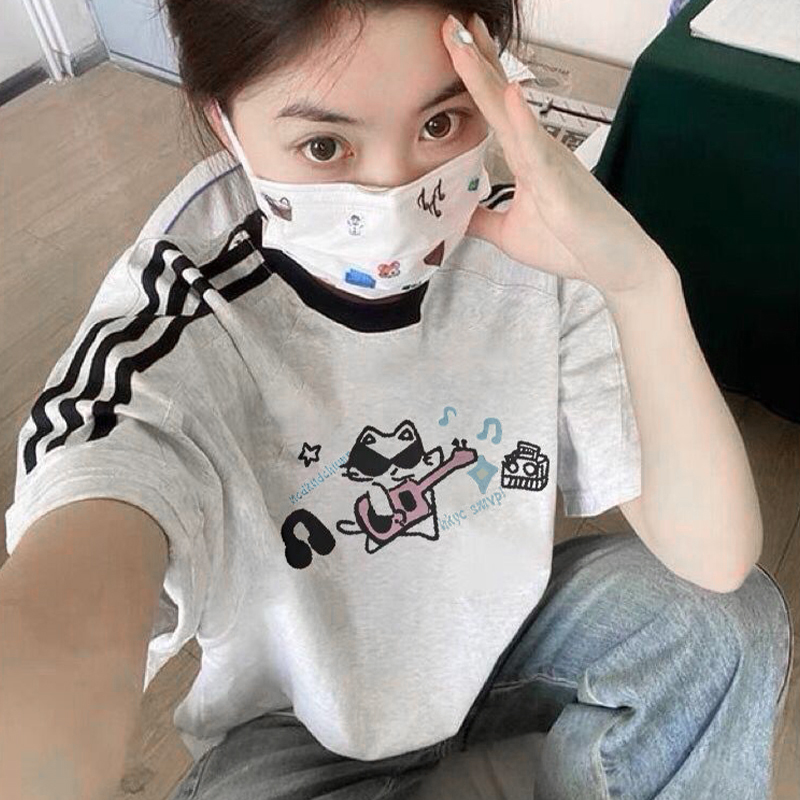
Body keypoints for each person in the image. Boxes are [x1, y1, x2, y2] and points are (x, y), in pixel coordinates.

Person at [0, 2, 792, 799]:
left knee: (726, 626)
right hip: (299, 734)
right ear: (225, 123)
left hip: (509, 652)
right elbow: (76, 584)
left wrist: (639, 282)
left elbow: (716, 560)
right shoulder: (185, 319)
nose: (392, 190)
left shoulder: (534, 239)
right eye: (324, 145)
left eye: (441, 124)